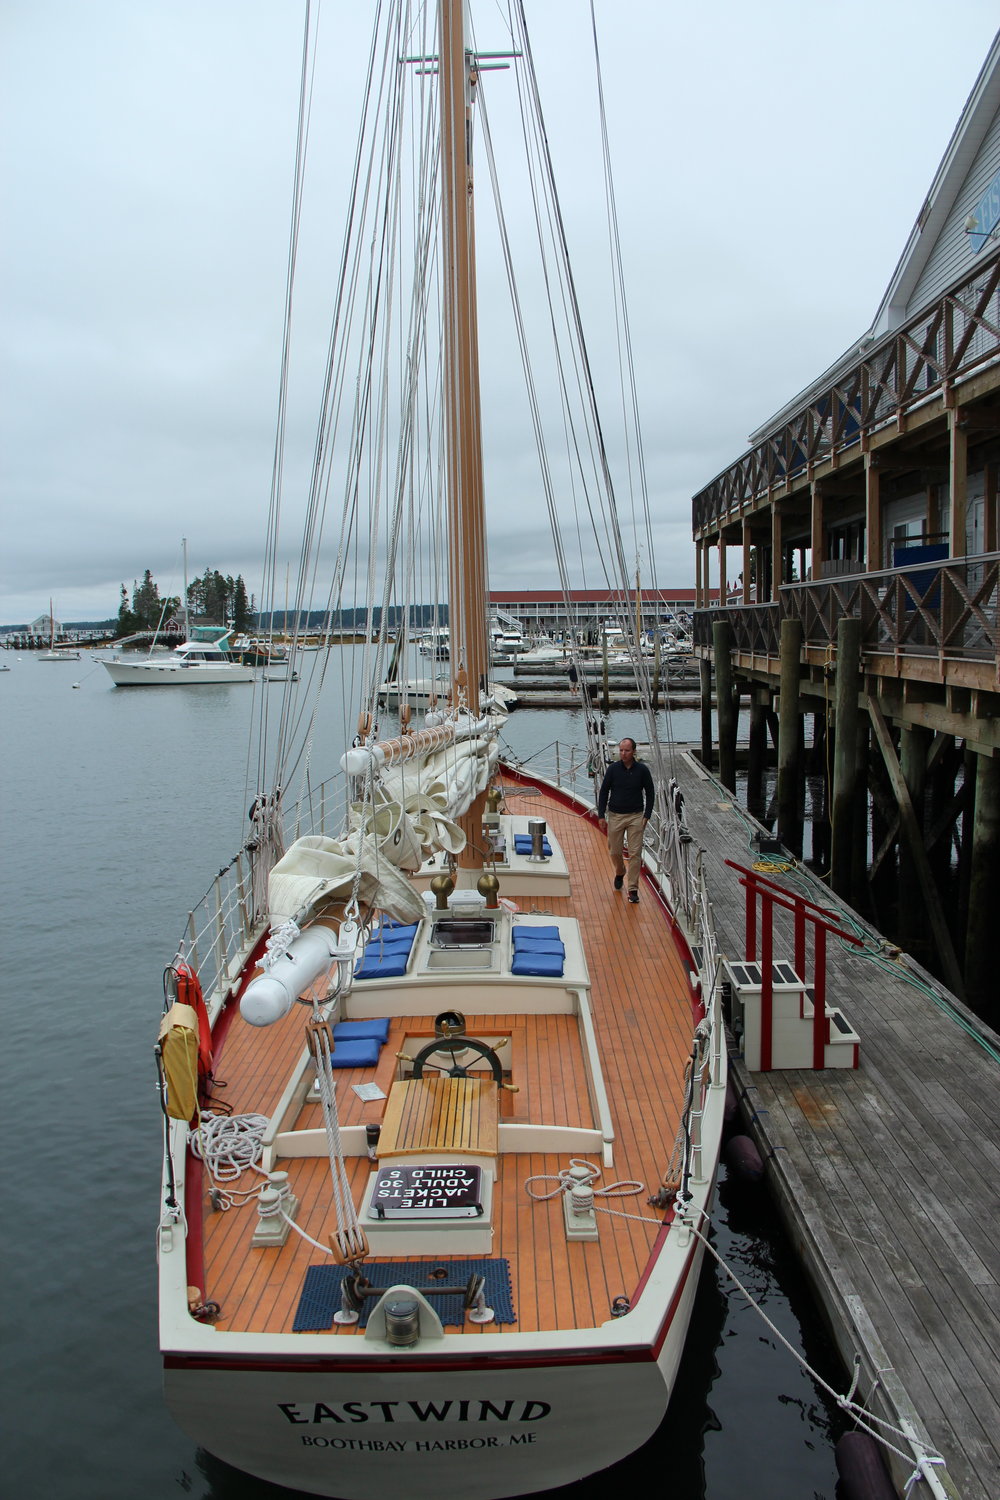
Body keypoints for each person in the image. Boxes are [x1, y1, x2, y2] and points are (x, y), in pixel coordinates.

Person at [596, 738, 654, 903]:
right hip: (616, 815)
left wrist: (647, 815)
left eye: (626, 750)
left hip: (636, 815)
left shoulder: (642, 770)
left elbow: (650, 793)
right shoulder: (613, 769)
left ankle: (633, 889)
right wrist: (601, 815)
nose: (623, 753)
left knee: (635, 853)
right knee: (615, 851)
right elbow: (604, 792)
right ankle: (620, 871)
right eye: (621, 750)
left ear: (633, 751)